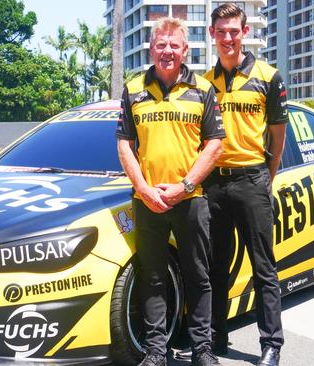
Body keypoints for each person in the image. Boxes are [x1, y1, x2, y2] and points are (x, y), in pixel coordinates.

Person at [116, 17, 226, 366]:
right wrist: (144, 189)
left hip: (190, 200)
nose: (166, 51)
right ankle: (155, 351)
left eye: (173, 45)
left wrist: (184, 186)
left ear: (185, 50)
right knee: (152, 277)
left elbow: (215, 146)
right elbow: (123, 145)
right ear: (151, 49)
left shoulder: (203, 90)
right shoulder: (134, 89)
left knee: (198, 277)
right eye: (160, 45)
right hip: (148, 201)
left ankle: (202, 350)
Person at [204, 4, 288, 366]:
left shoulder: (268, 76)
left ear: (245, 32)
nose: (227, 38)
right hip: (214, 185)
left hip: (253, 179)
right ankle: (215, 338)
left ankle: (271, 345)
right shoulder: (203, 83)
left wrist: (266, 176)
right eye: (221, 32)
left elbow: (278, 135)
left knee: (263, 267)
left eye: (233, 31)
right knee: (215, 267)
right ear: (212, 35)